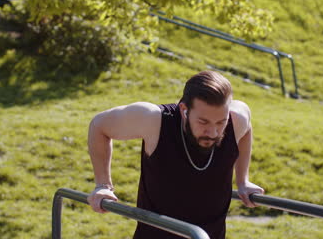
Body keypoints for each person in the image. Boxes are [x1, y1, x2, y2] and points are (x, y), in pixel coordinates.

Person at [87, 70, 264, 239]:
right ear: (184, 110)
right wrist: (103, 184)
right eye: (203, 122)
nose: (212, 132)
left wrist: (243, 180)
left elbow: (246, 130)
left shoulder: (236, 119)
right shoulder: (154, 120)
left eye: (220, 122)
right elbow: (99, 125)